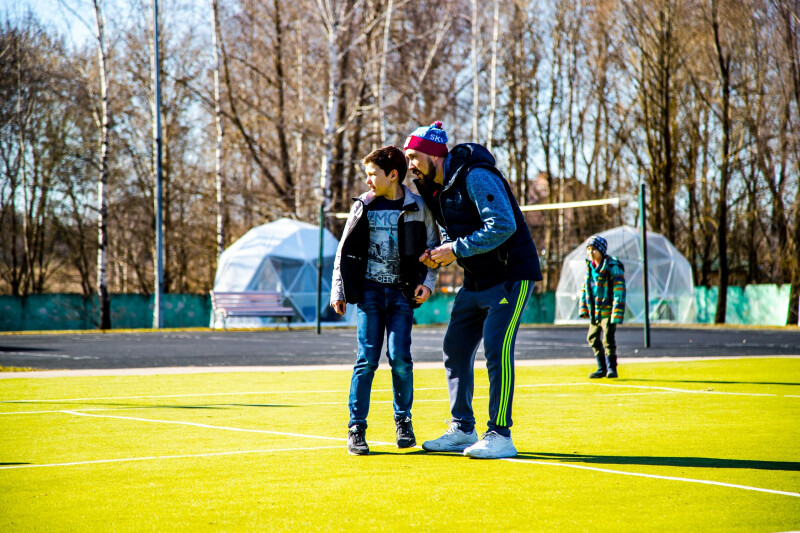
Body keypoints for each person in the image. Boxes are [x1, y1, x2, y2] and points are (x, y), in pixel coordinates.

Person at [404, 121, 543, 459]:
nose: (410, 164)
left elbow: (503, 225)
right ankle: (463, 428)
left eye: (414, 156)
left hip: (511, 278)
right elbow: (452, 236)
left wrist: (455, 250)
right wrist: (436, 256)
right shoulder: (431, 188)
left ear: (435, 155)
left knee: (496, 351)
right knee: (454, 348)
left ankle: (499, 434)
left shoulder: (475, 176)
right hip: (475, 282)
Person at [331, 145, 440, 456]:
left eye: (372, 174)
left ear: (393, 176)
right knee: (366, 360)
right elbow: (343, 251)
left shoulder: (419, 207)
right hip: (368, 294)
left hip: (402, 294)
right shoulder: (362, 206)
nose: (367, 181)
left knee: (400, 359)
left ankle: (403, 422)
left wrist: (427, 285)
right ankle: (356, 429)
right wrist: (338, 291)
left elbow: (434, 249)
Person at [578, 234, 626, 378]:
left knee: (608, 338)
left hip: (608, 311)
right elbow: (585, 289)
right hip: (595, 312)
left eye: (593, 249)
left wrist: (616, 312)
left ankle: (612, 368)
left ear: (601, 250)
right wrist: (584, 308)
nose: (590, 253)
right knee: (592, 337)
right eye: (588, 249)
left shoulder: (612, 266)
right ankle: (601, 367)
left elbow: (619, 290)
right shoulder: (589, 268)